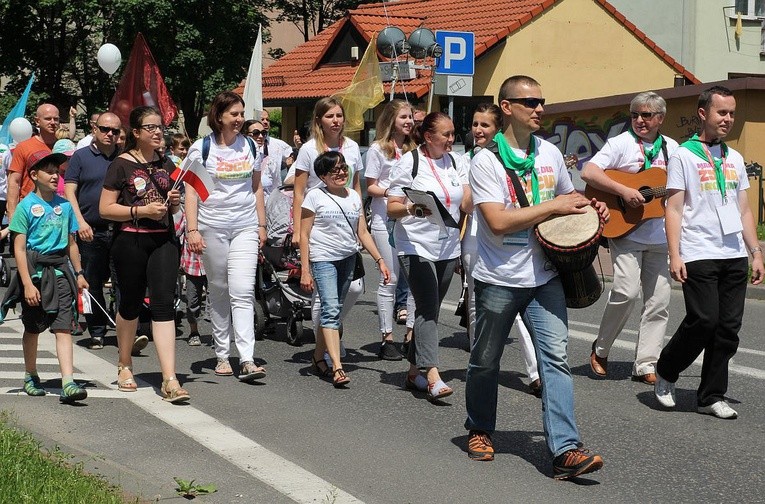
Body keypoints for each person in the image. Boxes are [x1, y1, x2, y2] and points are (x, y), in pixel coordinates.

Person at [463, 75, 607, 479]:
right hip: (498, 278)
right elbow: (496, 223)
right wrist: (555, 207)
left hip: (544, 276)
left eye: (542, 100)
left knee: (555, 360)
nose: (540, 108)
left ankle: (565, 450)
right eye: (530, 102)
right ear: (506, 107)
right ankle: (479, 428)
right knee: (485, 360)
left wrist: (591, 209)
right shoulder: (486, 160)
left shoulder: (549, 153)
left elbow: (570, 200)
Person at [654, 85, 764, 419]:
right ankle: (667, 369)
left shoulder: (734, 158)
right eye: (722, 112)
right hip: (698, 250)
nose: (728, 119)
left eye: (731, 113)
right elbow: (673, 208)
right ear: (704, 113)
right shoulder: (684, 155)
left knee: (728, 329)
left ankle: (711, 396)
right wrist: (675, 253)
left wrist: (755, 252)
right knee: (704, 319)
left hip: (732, 252)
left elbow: (744, 210)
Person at [581, 92, 678, 384]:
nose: (639, 120)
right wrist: (624, 191)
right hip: (625, 231)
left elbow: (679, 189)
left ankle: (647, 363)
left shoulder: (672, 148)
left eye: (646, 115)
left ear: (660, 118)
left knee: (659, 302)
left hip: (660, 235)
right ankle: (601, 349)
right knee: (625, 292)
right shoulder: (621, 143)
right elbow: (588, 171)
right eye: (635, 114)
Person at [99, 105, 189, 403]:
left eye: (160, 126)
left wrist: (174, 202)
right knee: (131, 304)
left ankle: (170, 379)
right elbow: (106, 209)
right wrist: (140, 210)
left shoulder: (168, 163)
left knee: (164, 305)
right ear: (136, 133)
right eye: (150, 127)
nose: (157, 131)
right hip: (131, 241)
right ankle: (125, 364)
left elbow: (173, 205)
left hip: (163, 240)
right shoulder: (120, 165)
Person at [387, 111, 471, 402]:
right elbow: (392, 207)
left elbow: (467, 201)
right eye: (446, 134)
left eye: (452, 134)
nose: (451, 139)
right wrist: (411, 209)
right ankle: (432, 374)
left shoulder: (458, 162)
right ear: (428, 136)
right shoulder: (409, 163)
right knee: (426, 305)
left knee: (430, 312)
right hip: (414, 244)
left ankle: (413, 371)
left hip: (448, 246)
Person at [185, 91, 267, 382]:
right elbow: (191, 190)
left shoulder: (251, 147)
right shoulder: (201, 149)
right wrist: (192, 229)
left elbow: (257, 187)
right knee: (219, 288)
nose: (240, 119)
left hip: (244, 226)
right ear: (219, 117)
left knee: (243, 290)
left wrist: (261, 224)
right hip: (212, 226)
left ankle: (246, 358)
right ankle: (222, 354)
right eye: (234, 114)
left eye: (242, 114)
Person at [462, 103, 541, 397]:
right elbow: (465, 205)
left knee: (517, 311)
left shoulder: (504, 158)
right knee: (475, 304)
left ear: (498, 130)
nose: (478, 130)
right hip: (474, 238)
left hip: (510, 239)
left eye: (485, 125)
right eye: (475, 124)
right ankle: (479, 359)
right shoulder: (467, 160)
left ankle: (534, 372)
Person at [0, 147, 89, 403]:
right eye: (48, 171)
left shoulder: (65, 206)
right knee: (34, 327)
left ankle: (68, 381)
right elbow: (18, 248)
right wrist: (27, 283)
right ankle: (30, 374)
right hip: (36, 272)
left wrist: (79, 272)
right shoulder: (26, 206)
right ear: (34, 174)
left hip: (61, 272)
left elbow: (72, 244)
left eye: (56, 171)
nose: (54, 175)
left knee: (64, 327)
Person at [301, 151, 390, 387]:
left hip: (347, 258)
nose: (341, 173)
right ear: (322, 176)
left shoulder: (353, 196)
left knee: (334, 311)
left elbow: (362, 232)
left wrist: (380, 260)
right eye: (334, 170)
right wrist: (305, 269)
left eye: (343, 168)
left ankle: (318, 357)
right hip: (323, 259)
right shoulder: (314, 196)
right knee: (330, 309)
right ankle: (337, 367)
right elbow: (304, 234)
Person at [287, 97, 366, 362]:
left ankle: (326, 331)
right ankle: (330, 342)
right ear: (319, 120)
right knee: (323, 293)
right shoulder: (309, 149)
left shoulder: (353, 147)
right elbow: (299, 192)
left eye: (339, 116)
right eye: (330, 116)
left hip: (345, 219)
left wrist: (359, 223)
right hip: (318, 220)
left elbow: (355, 187)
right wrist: (297, 230)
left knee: (354, 288)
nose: (336, 121)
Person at [64, 112, 122, 350]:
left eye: (115, 131)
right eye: (105, 129)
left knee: (124, 282)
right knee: (92, 282)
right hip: (91, 230)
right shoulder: (81, 156)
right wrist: (80, 223)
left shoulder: (125, 157)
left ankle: (124, 330)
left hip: (121, 229)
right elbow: (69, 191)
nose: (110, 134)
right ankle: (97, 331)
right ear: (94, 129)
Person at [365, 99, 416, 360]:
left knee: (415, 280)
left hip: (409, 220)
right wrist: (392, 192)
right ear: (391, 121)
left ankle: (411, 335)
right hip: (384, 219)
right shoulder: (377, 149)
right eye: (403, 117)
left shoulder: (414, 149)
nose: (409, 121)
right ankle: (387, 338)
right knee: (390, 279)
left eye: (411, 117)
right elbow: (370, 186)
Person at [7, 104, 60, 220]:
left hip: (58, 210)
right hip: (31, 211)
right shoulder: (24, 147)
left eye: (56, 119)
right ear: (37, 121)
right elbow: (14, 182)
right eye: (48, 118)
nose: (52, 122)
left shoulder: (64, 148)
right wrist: (12, 214)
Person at [243, 119, 281, 199]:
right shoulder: (237, 160)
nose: (260, 136)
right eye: (256, 133)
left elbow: (277, 188)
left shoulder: (270, 162)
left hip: (265, 208)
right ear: (244, 135)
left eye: (263, 133)